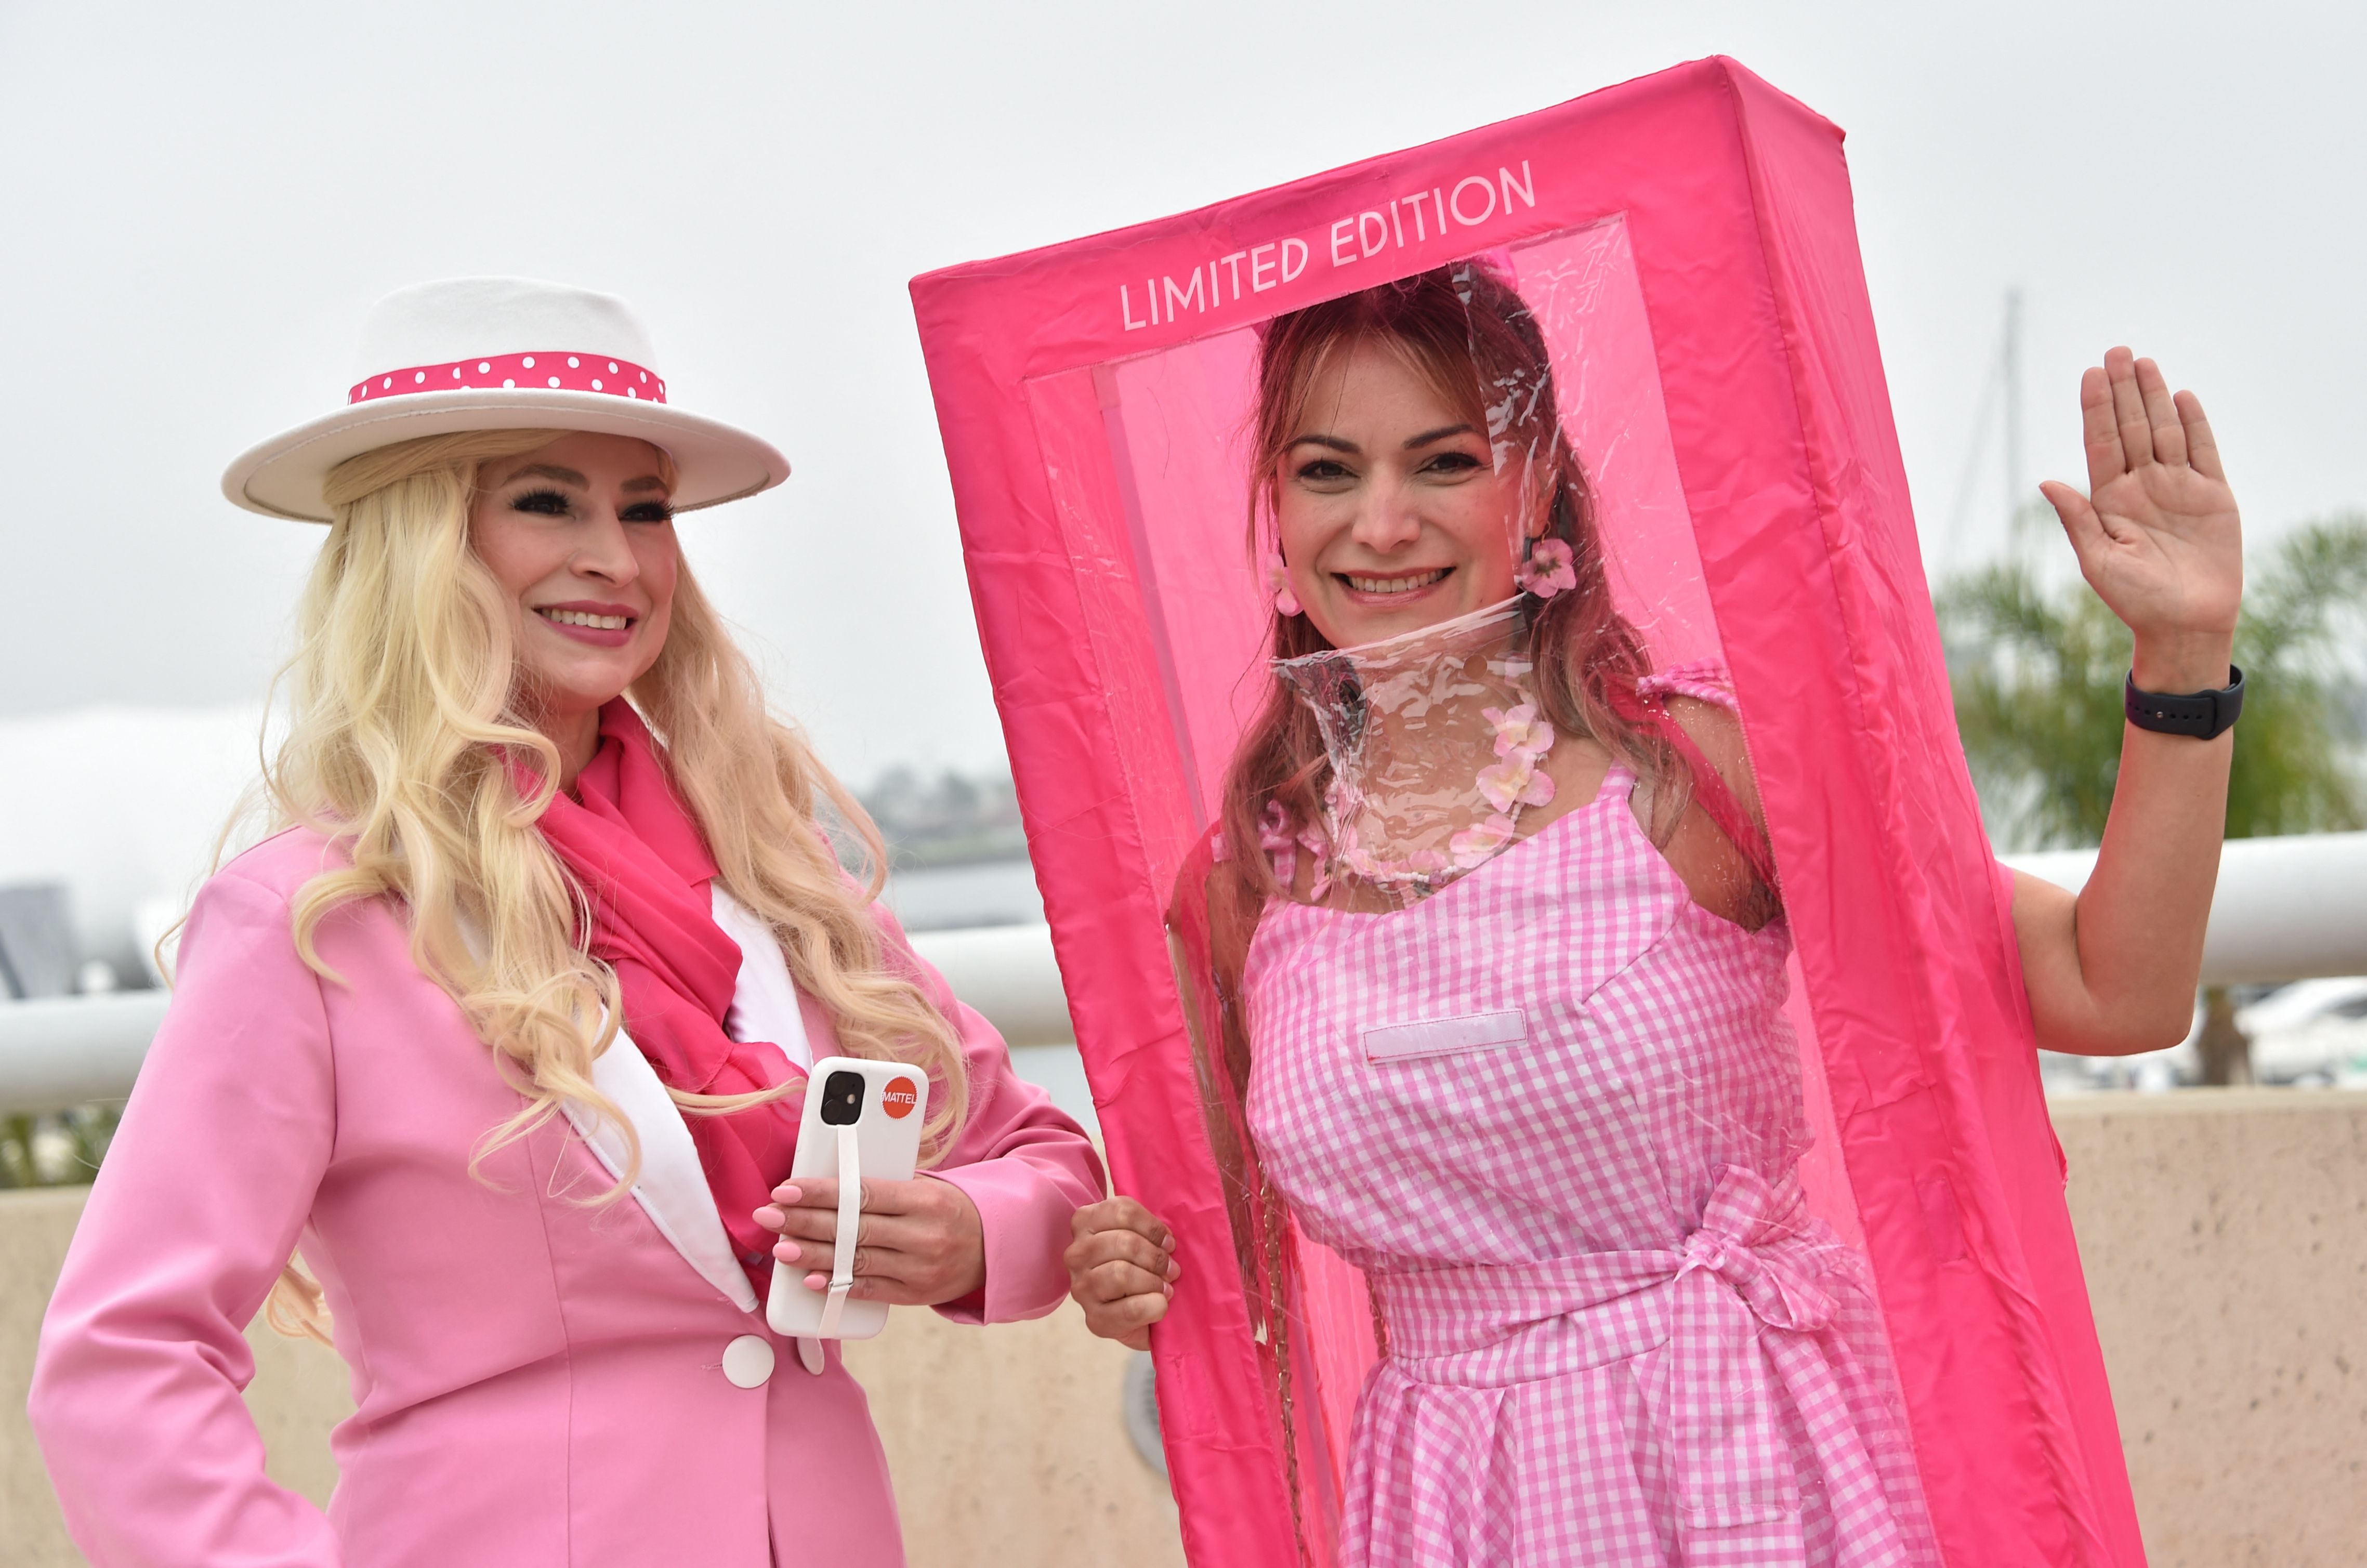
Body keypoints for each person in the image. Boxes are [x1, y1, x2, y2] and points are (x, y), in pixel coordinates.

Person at [1063, 264, 2242, 1564]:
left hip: (1765, 1470)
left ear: (1540, 491)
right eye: (1327, 471)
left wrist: (2181, 664)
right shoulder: (1239, 881)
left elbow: (2112, 988)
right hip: (1455, 1512)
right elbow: (1225, 1276)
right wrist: (1127, 1267)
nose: (1381, 523)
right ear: (1275, 516)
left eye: (1445, 462)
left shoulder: (1701, 768)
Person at [29, 277, 1104, 1568]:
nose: (619, 556)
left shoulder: (770, 870)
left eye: (643, 509)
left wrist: (970, 1236)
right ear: (426, 543)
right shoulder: (311, 919)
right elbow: (123, 1361)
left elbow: (1041, 1152)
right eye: (548, 502)